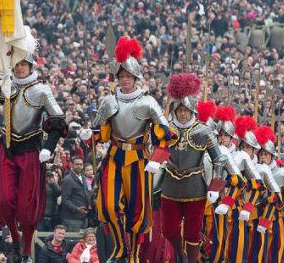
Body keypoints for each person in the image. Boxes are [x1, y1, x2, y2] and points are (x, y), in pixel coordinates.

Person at [0, 30, 67, 263]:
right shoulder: (5, 85)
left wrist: (48, 148)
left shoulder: (41, 90)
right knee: (1, 201)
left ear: (30, 65)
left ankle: (26, 248)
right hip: (7, 150)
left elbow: (59, 122)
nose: (19, 67)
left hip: (31, 150)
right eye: (16, 63)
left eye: (23, 63)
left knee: (26, 207)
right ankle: (15, 235)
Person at [80, 37, 175, 263]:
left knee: (136, 211)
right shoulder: (108, 102)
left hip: (139, 158)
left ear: (135, 78)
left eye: (128, 76)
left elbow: (166, 134)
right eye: (122, 76)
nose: (125, 80)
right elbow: (100, 133)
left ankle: (132, 254)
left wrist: (157, 158)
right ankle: (121, 246)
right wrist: (88, 135)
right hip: (114, 156)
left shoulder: (149, 103)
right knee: (110, 207)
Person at [159, 74, 226, 263]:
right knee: (168, 230)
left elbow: (218, 159)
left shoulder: (204, 131)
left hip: (195, 187)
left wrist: (214, 187)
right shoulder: (166, 129)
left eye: (186, 110)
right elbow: (157, 149)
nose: (182, 113)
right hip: (170, 185)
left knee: (192, 232)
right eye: (179, 109)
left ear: (192, 111)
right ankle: (180, 253)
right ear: (174, 110)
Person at [60, 155, 90, 231]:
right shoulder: (68, 179)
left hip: (83, 217)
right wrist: (76, 209)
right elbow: (65, 199)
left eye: (81, 164)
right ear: (72, 165)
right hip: (71, 218)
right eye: (77, 164)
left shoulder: (83, 177)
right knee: (72, 241)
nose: (79, 166)